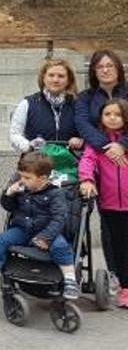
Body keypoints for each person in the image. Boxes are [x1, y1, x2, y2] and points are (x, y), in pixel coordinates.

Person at [0, 152, 80, 299]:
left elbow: (59, 218)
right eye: (21, 177)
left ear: (43, 178)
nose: (22, 181)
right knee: (2, 239)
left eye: (27, 178)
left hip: (48, 231)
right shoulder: (21, 190)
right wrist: (8, 194)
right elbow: (9, 207)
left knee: (61, 246)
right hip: (23, 230)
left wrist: (46, 237)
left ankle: (70, 280)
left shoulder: (55, 194)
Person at [78, 99, 128, 308]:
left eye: (117, 114)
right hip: (109, 205)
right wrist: (87, 179)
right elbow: (87, 161)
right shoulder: (98, 144)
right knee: (116, 245)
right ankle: (123, 285)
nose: (112, 118)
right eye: (108, 114)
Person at [9, 58, 82, 153]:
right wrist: (28, 146)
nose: (55, 80)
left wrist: (81, 141)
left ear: (68, 80)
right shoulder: (27, 104)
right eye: (51, 75)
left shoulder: (79, 105)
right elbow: (15, 134)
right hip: (36, 163)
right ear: (43, 78)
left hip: (70, 164)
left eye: (61, 76)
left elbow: (90, 133)